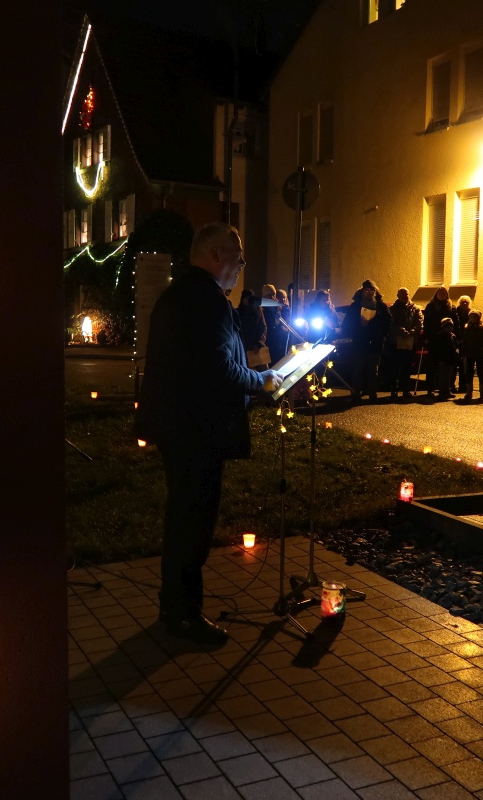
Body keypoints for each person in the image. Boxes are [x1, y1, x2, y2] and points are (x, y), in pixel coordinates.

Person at [136, 223, 282, 645]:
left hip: (176, 428)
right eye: (237, 257)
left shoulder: (177, 294)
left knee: (181, 518)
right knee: (193, 524)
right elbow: (219, 370)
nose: (241, 267)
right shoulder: (208, 301)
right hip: (197, 432)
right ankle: (185, 618)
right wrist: (263, 380)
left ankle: (174, 608)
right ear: (215, 256)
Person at [343, 279, 391, 403]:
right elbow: (347, 324)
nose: (369, 293)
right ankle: (356, 392)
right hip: (360, 343)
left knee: (373, 370)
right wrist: (360, 324)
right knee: (357, 369)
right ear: (362, 291)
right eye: (367, 290)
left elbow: (388, 323)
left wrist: (373, 324)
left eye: (371, 291)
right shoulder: (355, 306)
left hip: (375, 344)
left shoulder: (381, 306)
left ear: (375, 292)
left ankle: (372, 393)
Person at [388, 287, 423, 399]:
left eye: (406, 294)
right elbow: (391, 322)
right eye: (402, 294)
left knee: (407, 368)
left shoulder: (415, 308)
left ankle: (406, 390)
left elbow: (420, 322)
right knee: (395, 367)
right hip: (396, 341)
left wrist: (412, 332)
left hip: (410, 341)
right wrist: (402, 331)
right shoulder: (392, 308)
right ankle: (394, 390)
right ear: (398, 295)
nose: (405, 296)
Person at [422, 288, 453, 397]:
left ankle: (445, 389)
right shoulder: (431, 306)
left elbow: (456, 321)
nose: (442, 294)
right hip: (434, 339)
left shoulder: (450, 307)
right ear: (436, 294)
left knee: (446, 366)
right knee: (432, 365)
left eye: (444, 293)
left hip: (447, 339)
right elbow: (426, 323)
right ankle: (430, 388)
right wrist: (426, 337)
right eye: (440, 293)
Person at [461, 310, 483, 400]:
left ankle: (482, 393)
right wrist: (463, 353)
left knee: (480, 372)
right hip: (470, 353)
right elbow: (464, 341)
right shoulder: (467, 327)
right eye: (471, 317)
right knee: (469, 372)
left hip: (479, 353)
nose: (473, 318)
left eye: (475, 316)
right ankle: (469, 392)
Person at [430, 317, 459, 399]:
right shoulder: (441, 336)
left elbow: (455, 346)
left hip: (450, 358)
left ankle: (447, 390)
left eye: (451, 327)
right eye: (448, 327)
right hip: (443, 358)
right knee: (443, 375)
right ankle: (442, 391)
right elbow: (439, 349)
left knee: (449, 375)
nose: (450, 328)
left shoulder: (452, 336)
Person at [238, 288, 268, 364]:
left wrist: (259, 343)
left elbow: (263, 327)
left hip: (257, 348)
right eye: (246, 298)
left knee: (264, 371)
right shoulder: (239, 312)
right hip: (244, 348)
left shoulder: (258, 311)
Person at [261, 284, 289, 364]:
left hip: (277, 339)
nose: (272, 297)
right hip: (268, 339)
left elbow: (280, 320)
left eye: (274, 294)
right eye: (270, 295)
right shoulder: (262, 308)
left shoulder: (277, 307)